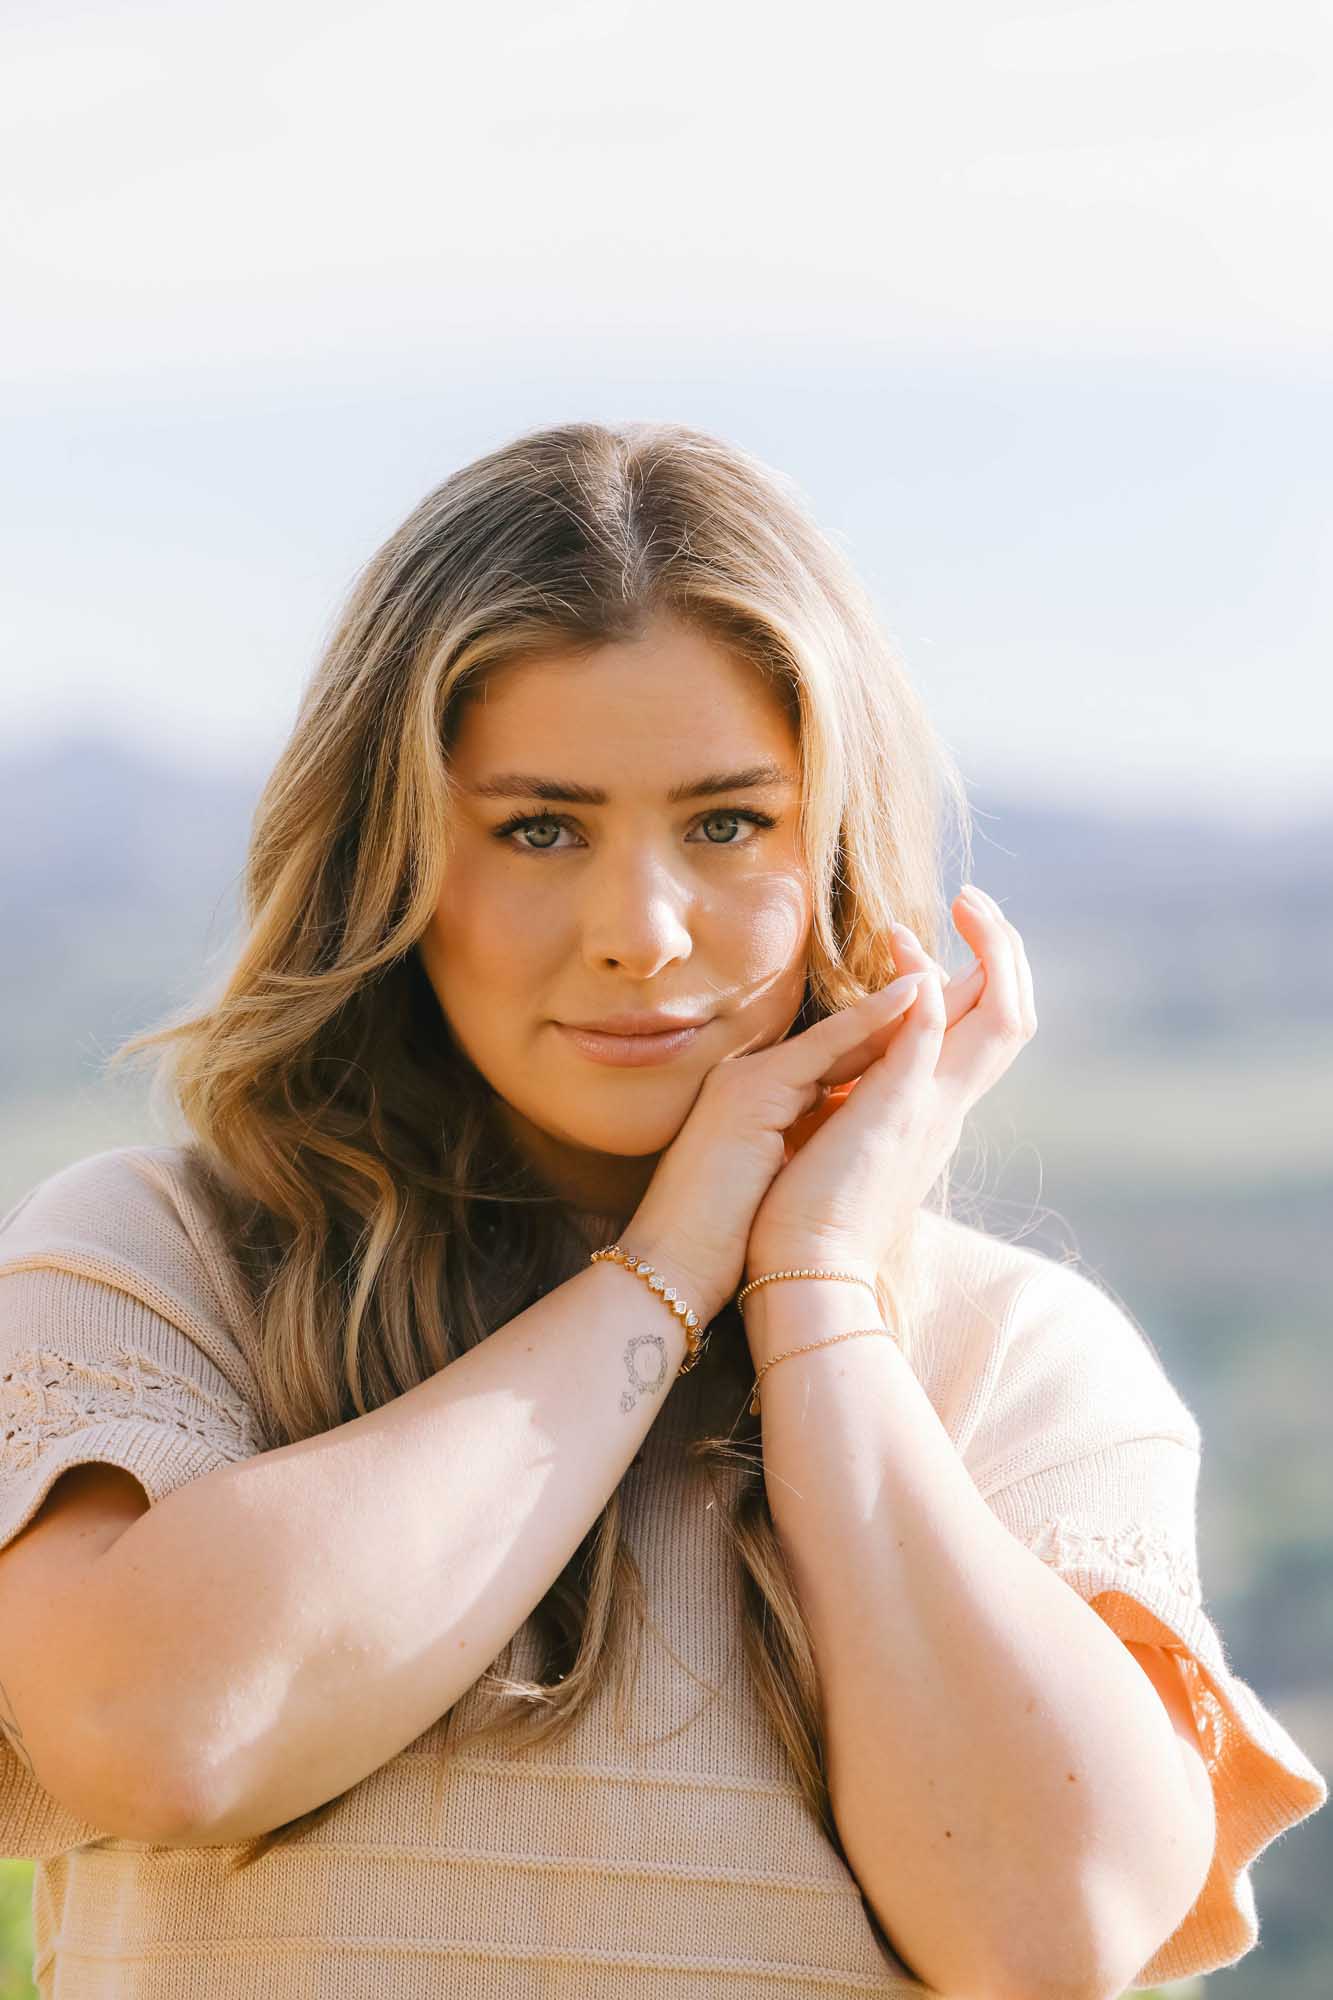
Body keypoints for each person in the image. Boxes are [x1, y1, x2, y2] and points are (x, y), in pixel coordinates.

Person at [0, 420, 1324, 1999]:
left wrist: (817, 1294)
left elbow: (1047, 1937)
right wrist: (663, 1273)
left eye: (726, 825)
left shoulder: (1011, 1363)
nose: (640, 932)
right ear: (391, 862)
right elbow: (166, 1739)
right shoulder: (163, 1262)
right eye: (538, 828)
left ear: (836, 853)